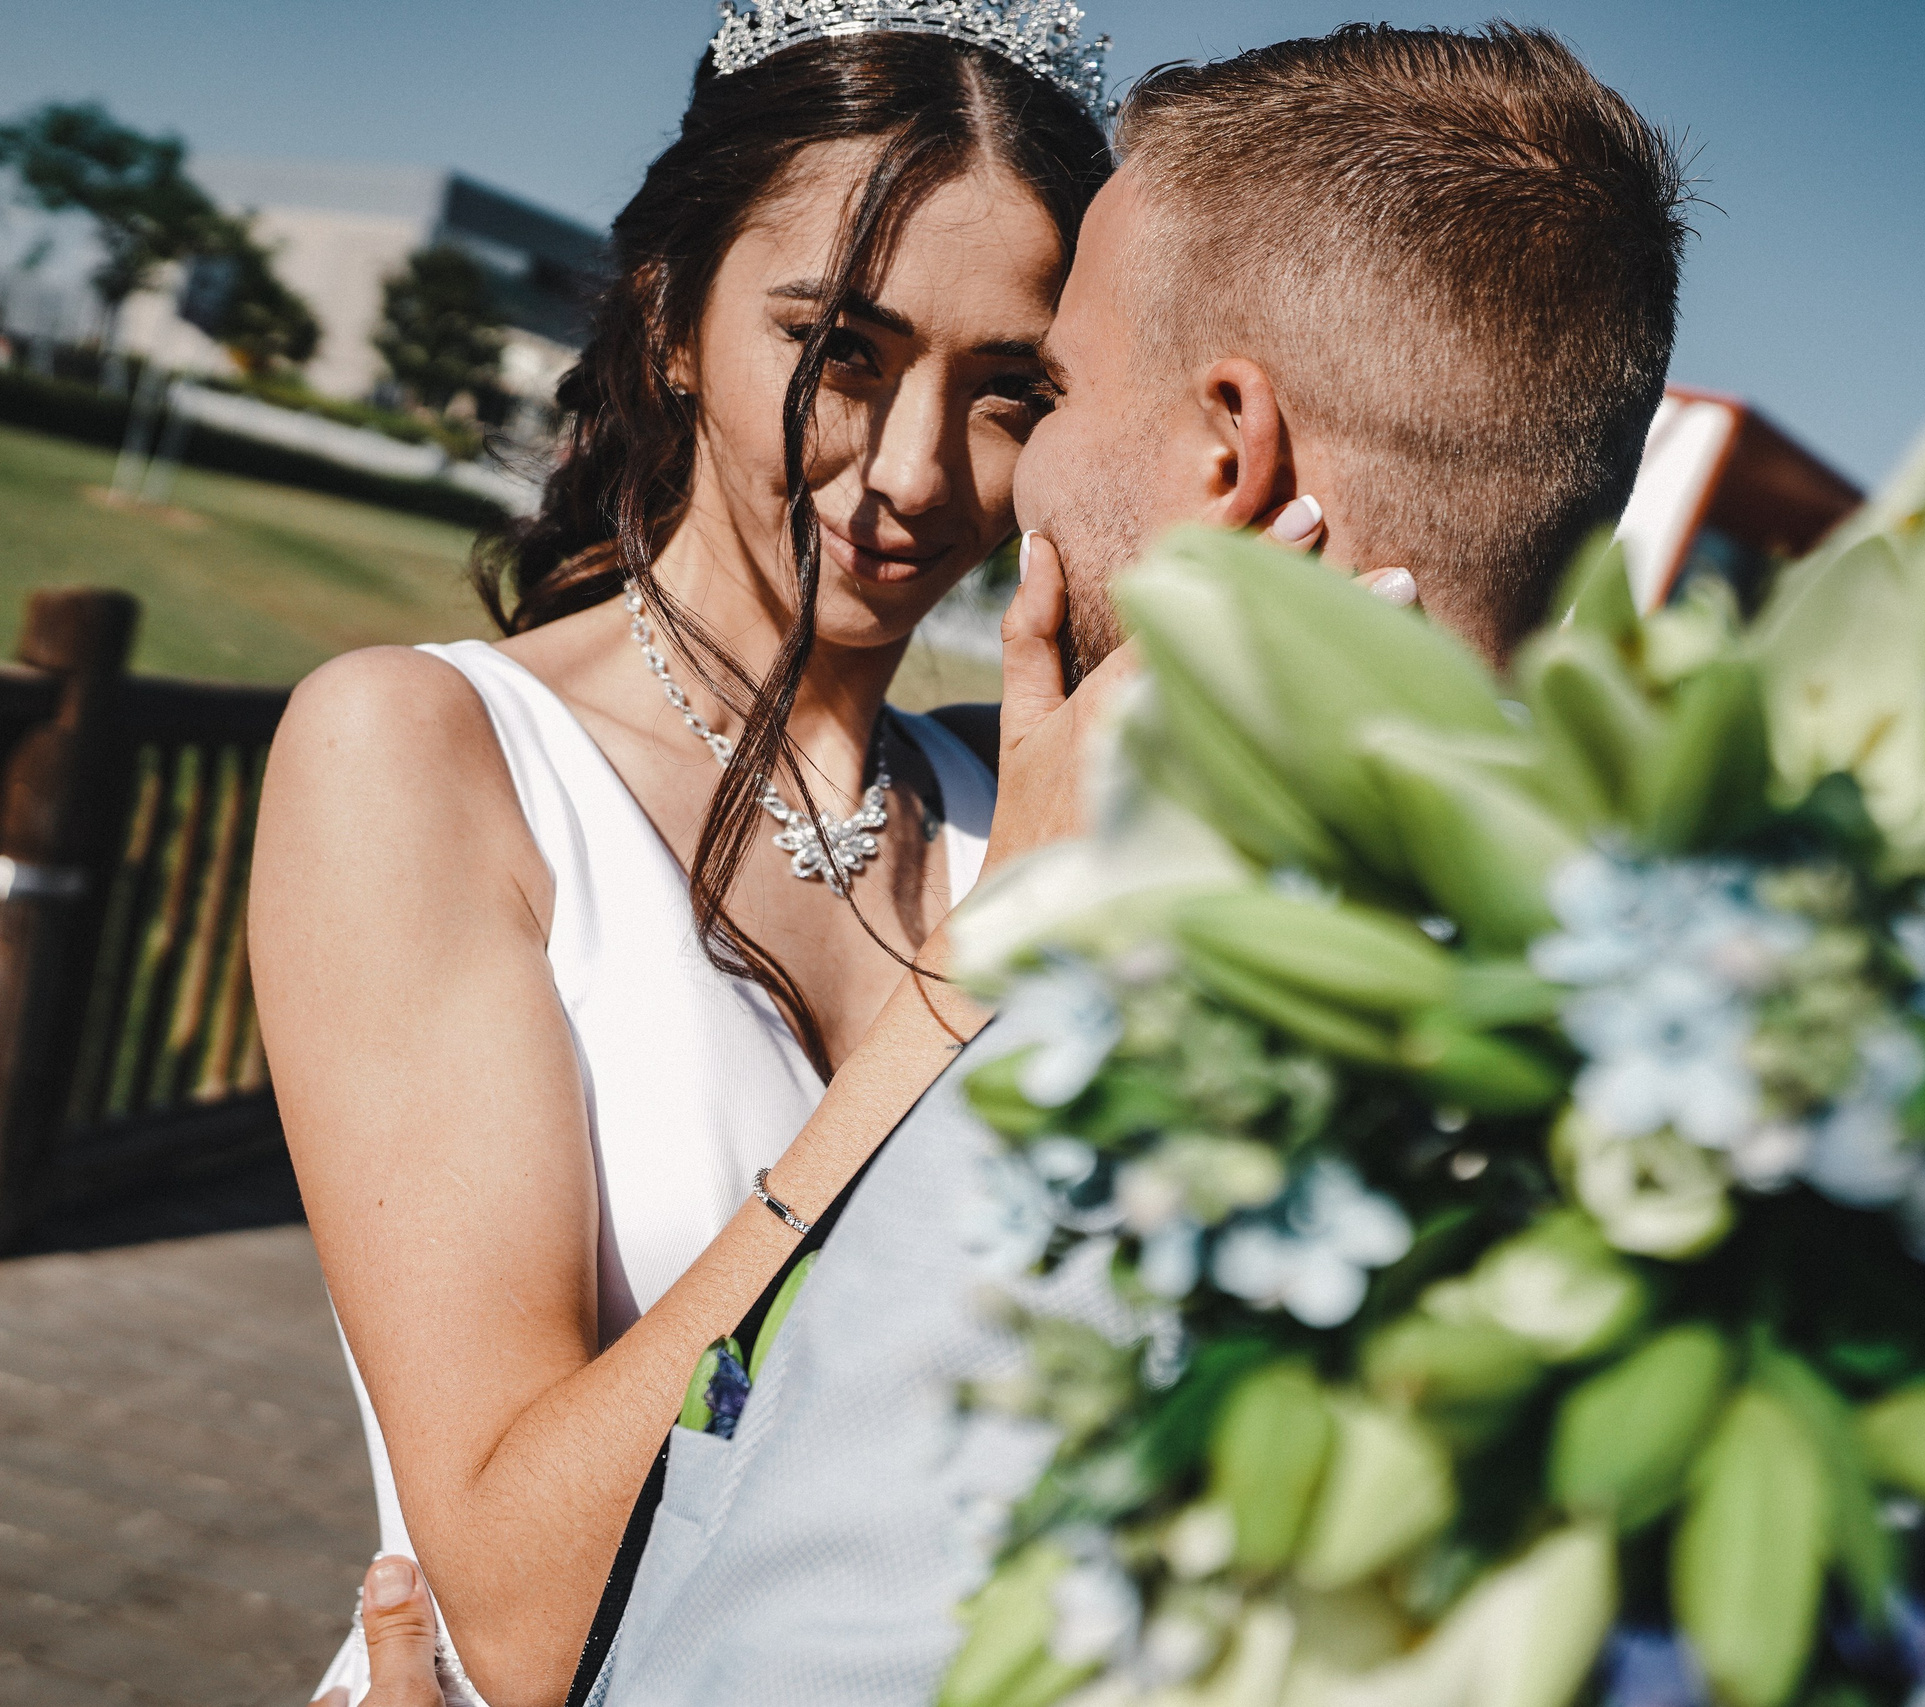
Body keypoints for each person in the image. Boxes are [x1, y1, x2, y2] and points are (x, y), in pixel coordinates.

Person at [572, 23, 1689, 1705]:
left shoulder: (1126, 1009)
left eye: (1050, 389)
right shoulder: (1705, 1041)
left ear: (1228, 454)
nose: (966, 477)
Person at [250, 16, 1119, 1706]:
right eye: (841, 349)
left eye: (1005, 390)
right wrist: (957, 1006)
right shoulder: (423, 756)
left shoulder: (1022, 811)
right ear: (667, 317)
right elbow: (519, 1611)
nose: (919, 472)